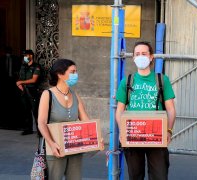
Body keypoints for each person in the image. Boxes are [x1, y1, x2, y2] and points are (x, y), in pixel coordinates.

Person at [115, 41, 176, 180]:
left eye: (144, 53)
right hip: (133, 134)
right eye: (137, 54)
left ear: (151, 57)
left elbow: (171, 109)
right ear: (133, 58)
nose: (140, 56)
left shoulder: (161, 80)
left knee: (159, 175)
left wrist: (169, 131)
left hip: (156, 135)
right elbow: (119, 110)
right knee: (135, 175)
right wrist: (122, 131)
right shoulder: (127, 81)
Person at [38, 59, 100, 180]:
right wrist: (51, 143)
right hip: (55, 148)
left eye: (76, 72)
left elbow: (85, 120)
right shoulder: (48, 94)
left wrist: (96, 138)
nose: (75, 75)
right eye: (72, 72)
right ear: (60, 74)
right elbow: (41, 123)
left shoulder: (75, 94)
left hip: (74, 147)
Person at [16, 49, 41, 135]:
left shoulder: (36, 66)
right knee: (26, 111)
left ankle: (40, 131)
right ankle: (28, 129)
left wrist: (21, 82)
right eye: (24, 56)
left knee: (35, 111)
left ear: (31, 56)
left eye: (26, 55)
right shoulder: (23, 66)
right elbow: (20, 78)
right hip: (24, 91)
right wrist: (19, 84)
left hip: (32, 91)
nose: (25, 57)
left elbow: (34, 80)